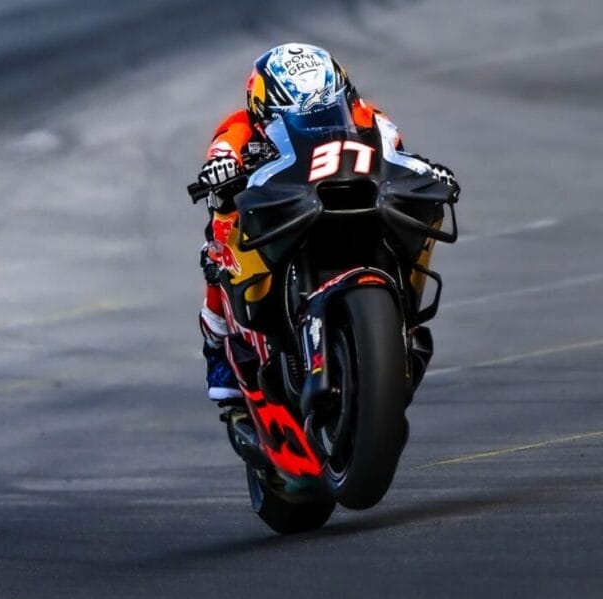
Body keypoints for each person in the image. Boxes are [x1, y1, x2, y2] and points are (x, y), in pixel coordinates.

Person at [195, 42, 458, 401]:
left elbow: (397, 153)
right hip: (281, 209)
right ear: (262, 106)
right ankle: (219, 347)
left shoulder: (368, 116)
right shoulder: (240, 127)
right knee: (216, 240)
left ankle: (400, 324)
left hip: (347, 198)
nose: (317, 119)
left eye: (326, 106)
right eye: (302, 111)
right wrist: (221, 168)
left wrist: (427, 172)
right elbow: (223, 150)